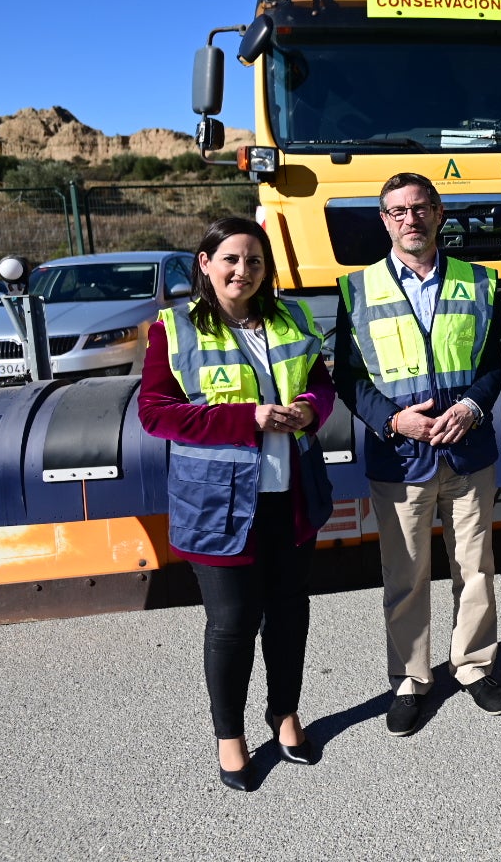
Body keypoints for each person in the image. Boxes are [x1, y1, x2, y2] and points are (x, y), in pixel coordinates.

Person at [137, 216, 335, 793]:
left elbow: (320, 382)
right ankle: (230, 734)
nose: (242, 271)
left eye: (253, 261)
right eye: (230, 259)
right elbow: (156, 413)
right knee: (231, 624)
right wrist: (244, 417)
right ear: (205, 264)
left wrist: (308, 407)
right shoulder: (172, 329)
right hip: (218, 504)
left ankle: (284, 713)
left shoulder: (292, 318)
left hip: (291, 494)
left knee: (289, 614)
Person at [334, 172, 501, 736]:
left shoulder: (478, 283)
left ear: (438, 213)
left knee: (474, 567)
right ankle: (411, 680)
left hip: (467, 450)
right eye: (397, 211)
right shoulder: (356, 290)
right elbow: (347, 376)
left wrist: (473, 408)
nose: (410, 219)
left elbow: (495, 363)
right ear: (384, 221)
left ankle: (474, 665)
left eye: (419, 208)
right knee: (405, 575)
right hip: (400, 458)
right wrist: (392, 419)